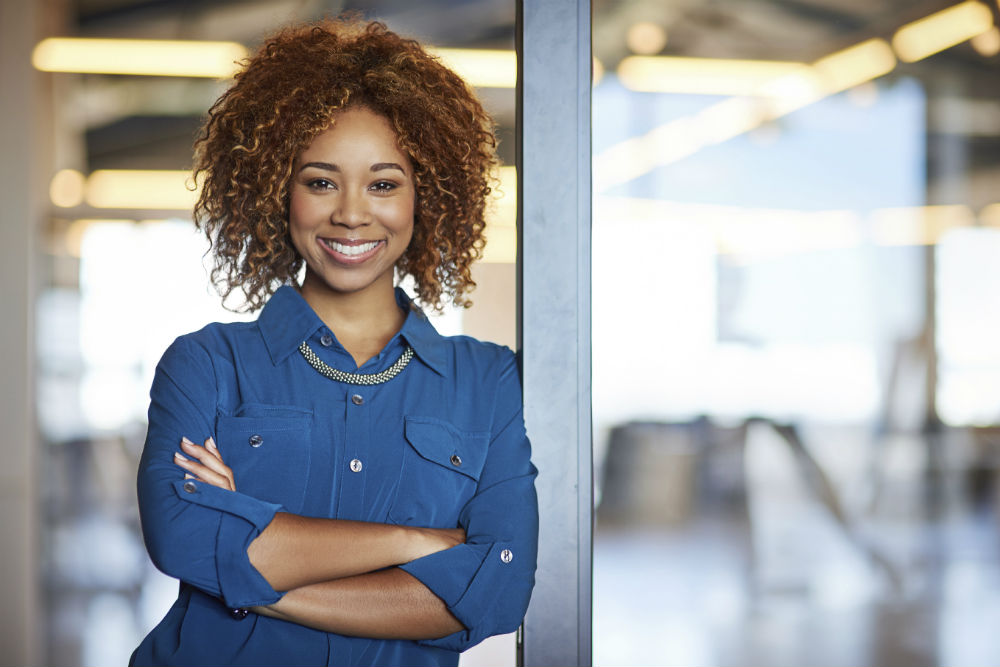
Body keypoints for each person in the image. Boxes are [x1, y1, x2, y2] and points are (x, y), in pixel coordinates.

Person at [130, 17, 538, 667]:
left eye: (383, 183)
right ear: (277, 191)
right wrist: (421, 541)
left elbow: (492, 592)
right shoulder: (206, 365)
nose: (351, 212)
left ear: (424, 197)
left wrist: (251, 571)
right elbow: (184, 538)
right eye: (320, 180)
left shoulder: (488, 383)